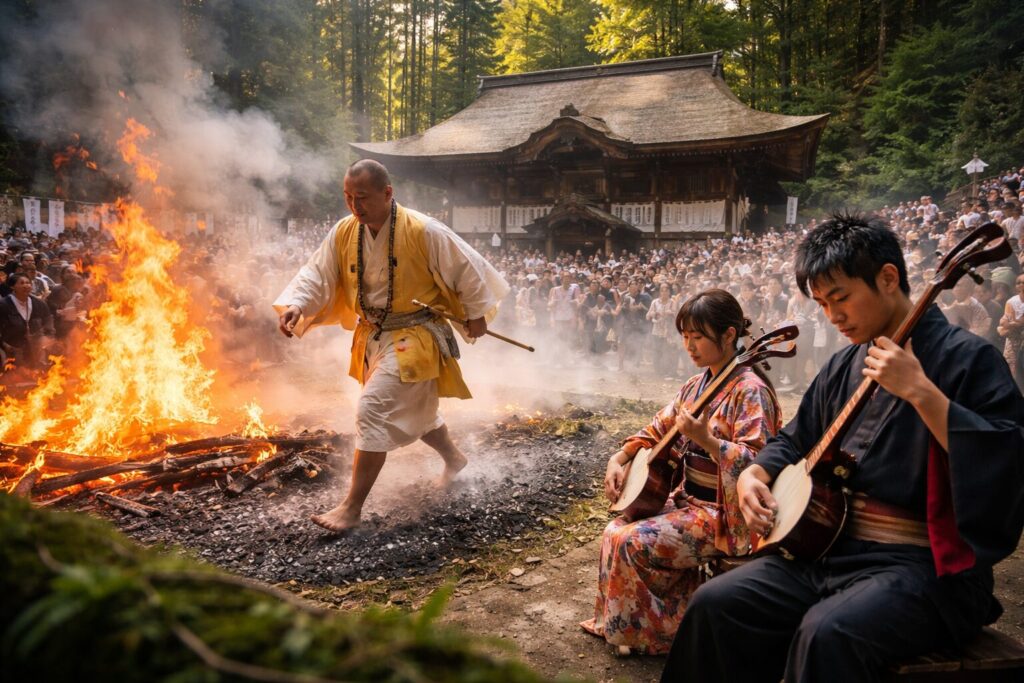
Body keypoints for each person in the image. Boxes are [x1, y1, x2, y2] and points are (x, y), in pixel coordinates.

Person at [662, 215, 1024, 683]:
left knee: (828, 632)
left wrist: (923, 394)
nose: (833, 316)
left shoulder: (969, 358)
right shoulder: (842, 365)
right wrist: (756, 474)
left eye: (841, 298)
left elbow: (1008, 460)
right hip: (828, 551)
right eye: (822, 304)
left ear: (888, 278)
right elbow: (795, 437)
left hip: (925, 568)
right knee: (717, 604)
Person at [274, 159, 509, 532]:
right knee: (413, 409)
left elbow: (467, 267)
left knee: (373, 408)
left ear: (387, 193)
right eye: (348, 197)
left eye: (362, 197)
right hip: (372, 336)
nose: (355, 206)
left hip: (414, 337)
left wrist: (476, 311)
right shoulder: (344, 231)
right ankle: (455, 458)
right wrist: (297, 305)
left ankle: (351, 507)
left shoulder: (424, 229)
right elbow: (317, 273)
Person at [580, 289, 781, 655]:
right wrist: (620, 458)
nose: (689, 346)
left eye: (698, 337)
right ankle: (625, 624)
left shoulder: (751, 390)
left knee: (632, 541)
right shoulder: (695, 385)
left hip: (726, 514)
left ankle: (659, 633)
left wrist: (708, 441)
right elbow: (657, 429)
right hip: (689, 502)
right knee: (614, 528)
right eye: (685, 337)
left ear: (729, 335)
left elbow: (761, 460)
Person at [0, 273, 57, 369]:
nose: (26, 285)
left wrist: (48, 339)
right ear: (12, 286)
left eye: (28, 283)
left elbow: (49, 323)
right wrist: (5, 345)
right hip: (12, 349)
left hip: (36, 348)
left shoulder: (39, 304)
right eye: (22, 283)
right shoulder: (3, 305)